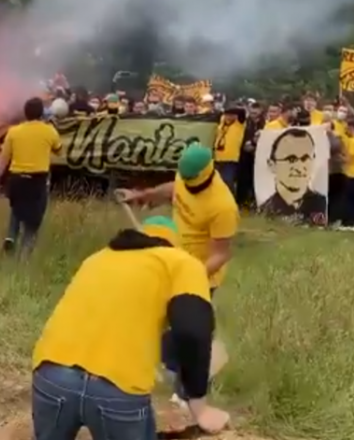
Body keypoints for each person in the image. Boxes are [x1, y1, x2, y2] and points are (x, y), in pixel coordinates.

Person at [31, 216, 229, 440]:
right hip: (117, 391)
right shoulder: (182, 262)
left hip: (51, 375)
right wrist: (199, 407)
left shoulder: (97, 258)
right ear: (174, 244)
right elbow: (192, 332)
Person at [116, 143, 238, 406]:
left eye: (194, 183)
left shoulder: (223, 206)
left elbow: (222, 253)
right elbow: (173, 191)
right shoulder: (185, 177)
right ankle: (177, 370)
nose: (188, 185)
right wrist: (142, 195)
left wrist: (191, 275)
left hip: (201, 275)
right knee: (166, 322)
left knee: (190, 330)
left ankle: (191, 390)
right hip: (174, 262)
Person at [0, 97, 61, 257]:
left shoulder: (14, 132)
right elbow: (59, 149)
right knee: (33, 220)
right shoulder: (49, 131)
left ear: (25, 113)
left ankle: (10, 237)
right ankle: (24, 255)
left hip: (16, 179)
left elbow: (3, 160)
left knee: (17, 209)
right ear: (42, 113)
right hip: (38, 180)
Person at [258, 128, 327, 224]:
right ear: (272, 165)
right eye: (291, 159)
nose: (299, 168)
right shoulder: (266, 210)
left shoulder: (321, 202)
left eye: (305, 158)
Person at [213, 106, 246, 196]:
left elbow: (242, 112)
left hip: (231, 158)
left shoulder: (239, 124)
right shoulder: (222, 123)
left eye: (231, 115)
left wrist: (233, 110)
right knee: (217, 180)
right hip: (218, 157)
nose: (228, 117)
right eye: (227, 114)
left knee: (228, 180)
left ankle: (230, 198)